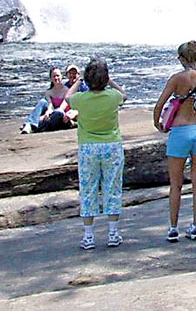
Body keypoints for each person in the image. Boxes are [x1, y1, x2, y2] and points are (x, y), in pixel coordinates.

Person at [153, 40, 196, 243]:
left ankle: (173, 228)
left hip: (180, 132)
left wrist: (159, 124)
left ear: (182, 59)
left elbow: (160, 104)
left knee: (176, 184)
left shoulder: (176, 79)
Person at [65, 57, 128, 250]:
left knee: (88, 189)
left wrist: (77, 81)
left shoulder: (81, 99)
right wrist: (109, 81)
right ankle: (112, 233)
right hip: (111, 146)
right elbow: (124, 95)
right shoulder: (112, 97)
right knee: (112, 188)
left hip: (88, 148)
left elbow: (67, 98)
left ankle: (88, 236)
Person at [21, 66, 75, 134]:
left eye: (58, 76)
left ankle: (32, 124)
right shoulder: (48, 92)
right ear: (51, 78)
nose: (56, 78)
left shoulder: (67, 90)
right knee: (42, 102)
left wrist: (43, 117)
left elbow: (62, 108)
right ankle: (30, 124)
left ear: (61, 76)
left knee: (58, 112)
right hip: (52, 117)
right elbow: (50, 105)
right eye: (54, 76)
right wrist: (48, 111)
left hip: (63, 117)